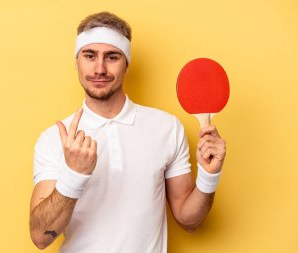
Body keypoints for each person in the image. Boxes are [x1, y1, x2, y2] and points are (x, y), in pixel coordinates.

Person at [29, 11, 226, 253]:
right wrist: (74, 175)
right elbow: (40, 237)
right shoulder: (54, 139)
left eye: (111, 56)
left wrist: (209, 176)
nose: (99, 68)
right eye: (89, 55)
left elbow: (189, 221)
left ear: (127, 63)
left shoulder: (166, 128)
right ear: (76, 61)